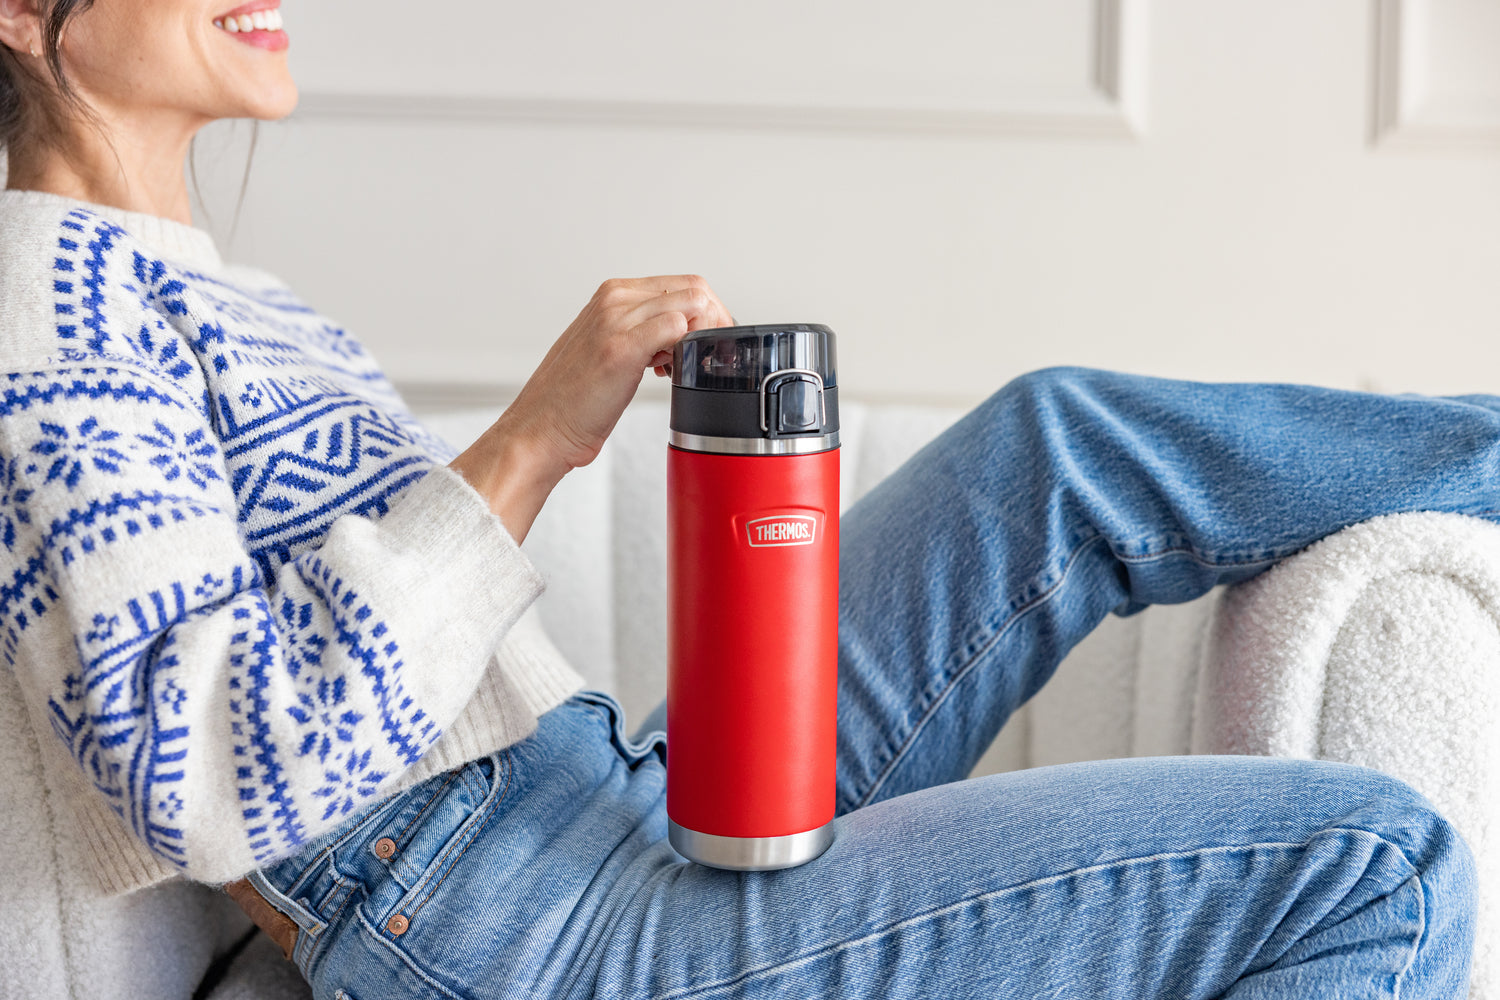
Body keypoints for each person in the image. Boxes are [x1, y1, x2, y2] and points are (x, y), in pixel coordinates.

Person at [0, 2, 1478, 997]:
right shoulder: (39, 301)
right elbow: (195, 771)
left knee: (1055, 446)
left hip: (585, 805)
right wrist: (532, 441)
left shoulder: (213, 291)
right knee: (1378, 871)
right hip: (514, 922)